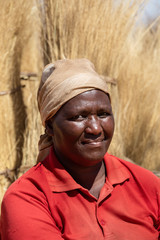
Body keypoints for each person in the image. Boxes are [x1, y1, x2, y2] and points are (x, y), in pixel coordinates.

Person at [1, 58, 160, 240]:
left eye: (103, 114)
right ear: (50, 126)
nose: (95, 128)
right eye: (79, 117)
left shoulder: (146, 184)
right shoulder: (28, 197)